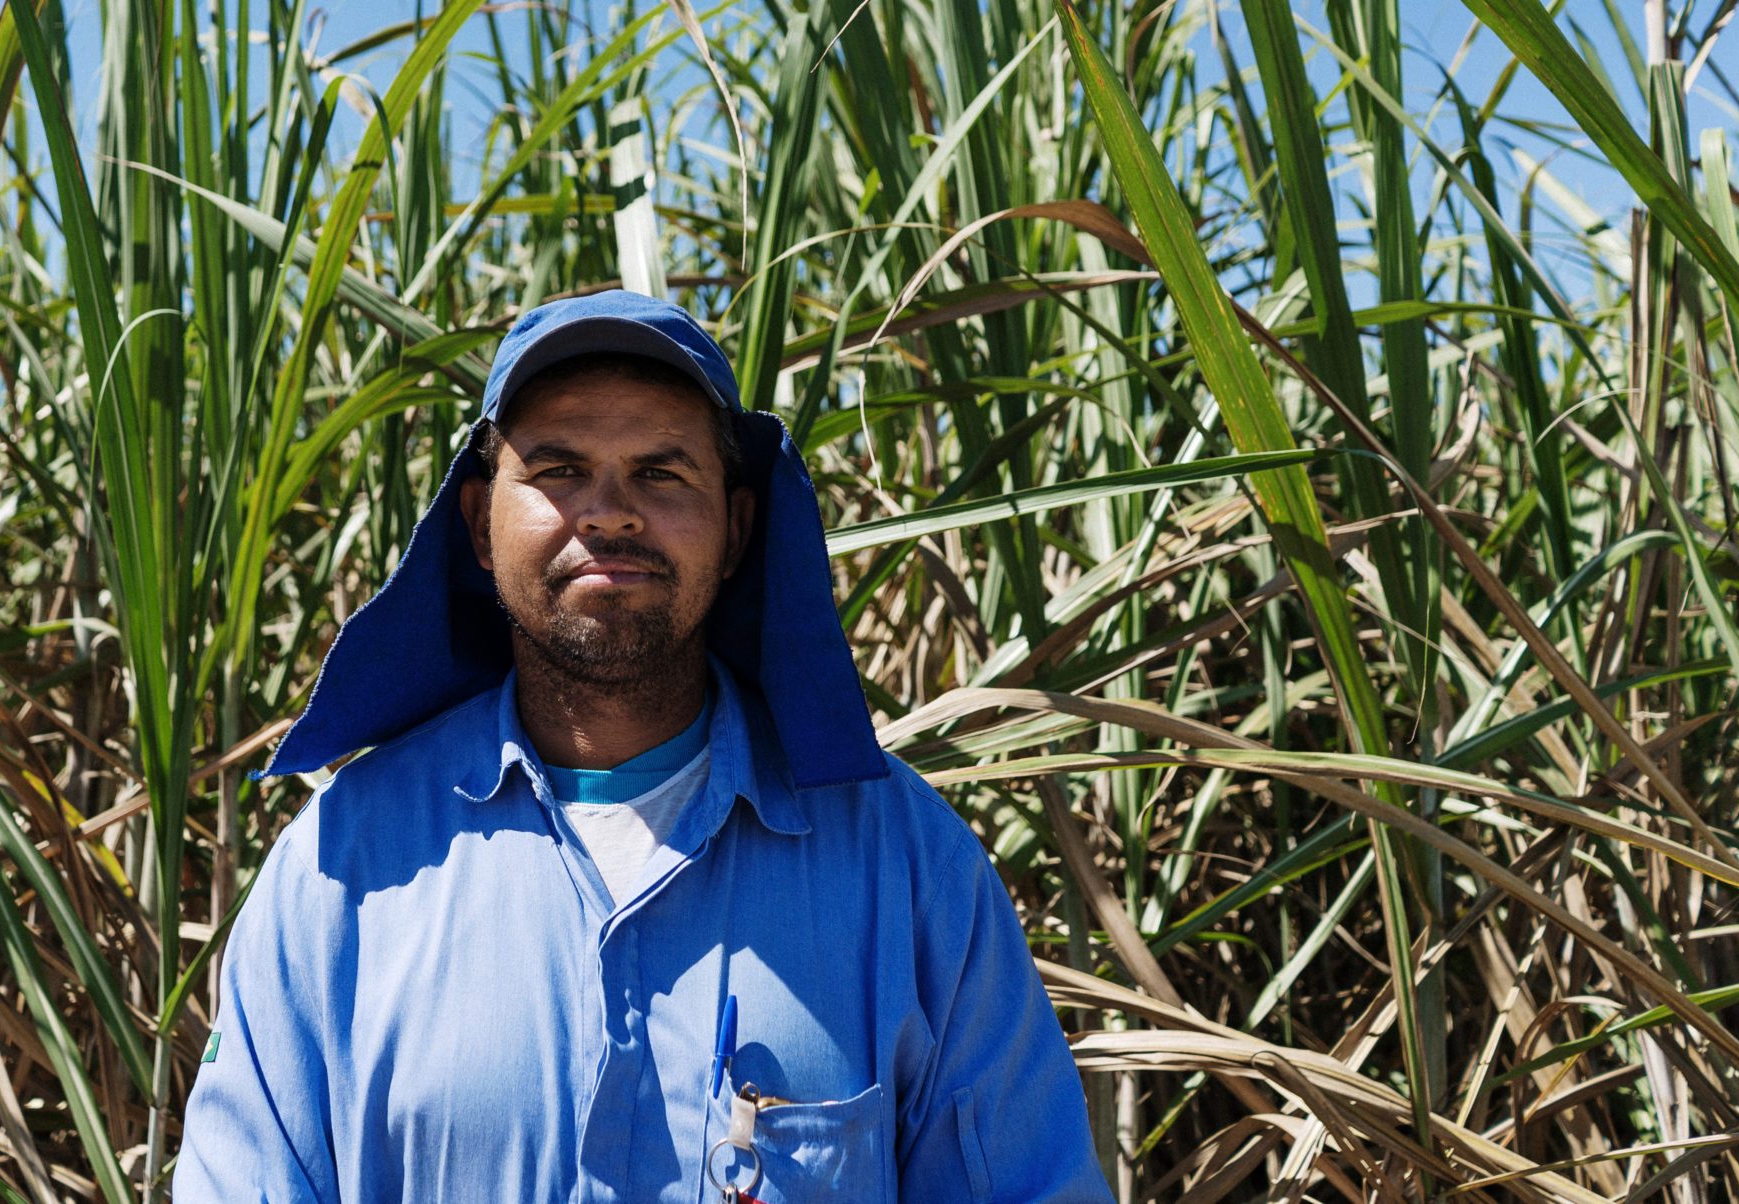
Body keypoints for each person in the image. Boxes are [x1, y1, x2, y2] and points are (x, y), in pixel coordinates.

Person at [172, 290, 1112, 1202]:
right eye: (558, 470)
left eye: (661, 473)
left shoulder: (907, 871)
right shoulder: (342, 873)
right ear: (478, 528)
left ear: (738, 527)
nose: (611, 512)